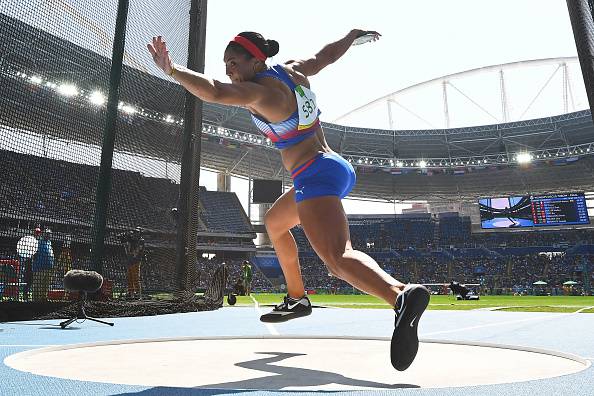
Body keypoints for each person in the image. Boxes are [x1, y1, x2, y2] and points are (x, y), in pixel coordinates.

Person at [148, 30, 430, 371]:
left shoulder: (263, 93)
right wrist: (351, 37)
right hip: (328, 165)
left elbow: (215, 91)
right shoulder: (291, 71)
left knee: (338, 259)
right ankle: (297, 298)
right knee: (275, 224)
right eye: (226, 64)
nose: (229, 70)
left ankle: (399, 296)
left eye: (234, 63)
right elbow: (323, 57)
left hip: (314, 173)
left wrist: (173, 70)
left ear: (257, 60)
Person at [32, 228, 54, 302]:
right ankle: (35, 300)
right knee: (38, 284)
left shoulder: (49, 242)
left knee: (46, 285)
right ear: (43, 234)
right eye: (47, 234)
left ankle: (44, 298)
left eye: (49, 234)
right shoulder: (38, 242)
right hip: (39, 267)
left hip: (49, 267)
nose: (48, 235)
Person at [123, 227, 144, 299]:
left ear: (140, 233)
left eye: (137, 232)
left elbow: (138, 250)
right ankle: (131, 294)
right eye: (134, 232)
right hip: (130, 261)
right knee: (129, 278)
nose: (135, 234)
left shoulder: (141, 240)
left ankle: (139, 295)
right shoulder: (132, 240)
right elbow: (127, 244)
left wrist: (133, 253)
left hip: (136, 261)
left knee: (135, 278)